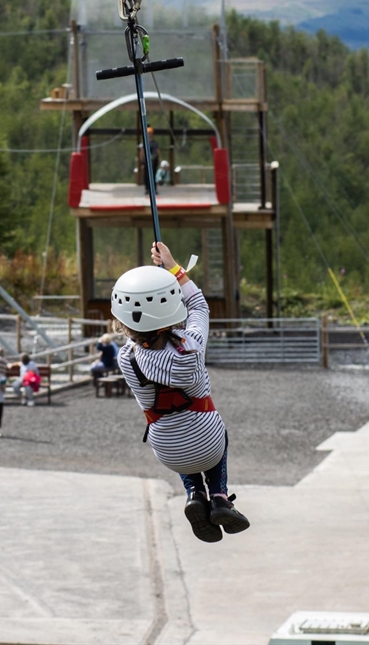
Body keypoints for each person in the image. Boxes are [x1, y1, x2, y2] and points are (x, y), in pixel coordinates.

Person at [111, 241, 250, 543]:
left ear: (122, 321)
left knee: (179, 439)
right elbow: (198, 305)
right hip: (207, 442)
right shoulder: (192, 346)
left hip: (169, 453)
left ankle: (193, 493)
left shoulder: (126, 358)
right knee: (215, 436)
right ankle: (219, 496)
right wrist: (173, 269)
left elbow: (141, 339)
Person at [138, 124, 161, 195]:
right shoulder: (144, 142)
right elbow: (142, 152)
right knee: (146, 175)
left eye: (150, 134)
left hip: (154, 161)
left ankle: (154, 189)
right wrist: (142, 162)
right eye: (148, 134)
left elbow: (157, 151)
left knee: (153, 175)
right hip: (146, 162)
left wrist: (159, 160)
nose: (149, 135)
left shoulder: (155, 143)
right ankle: (147, 189)